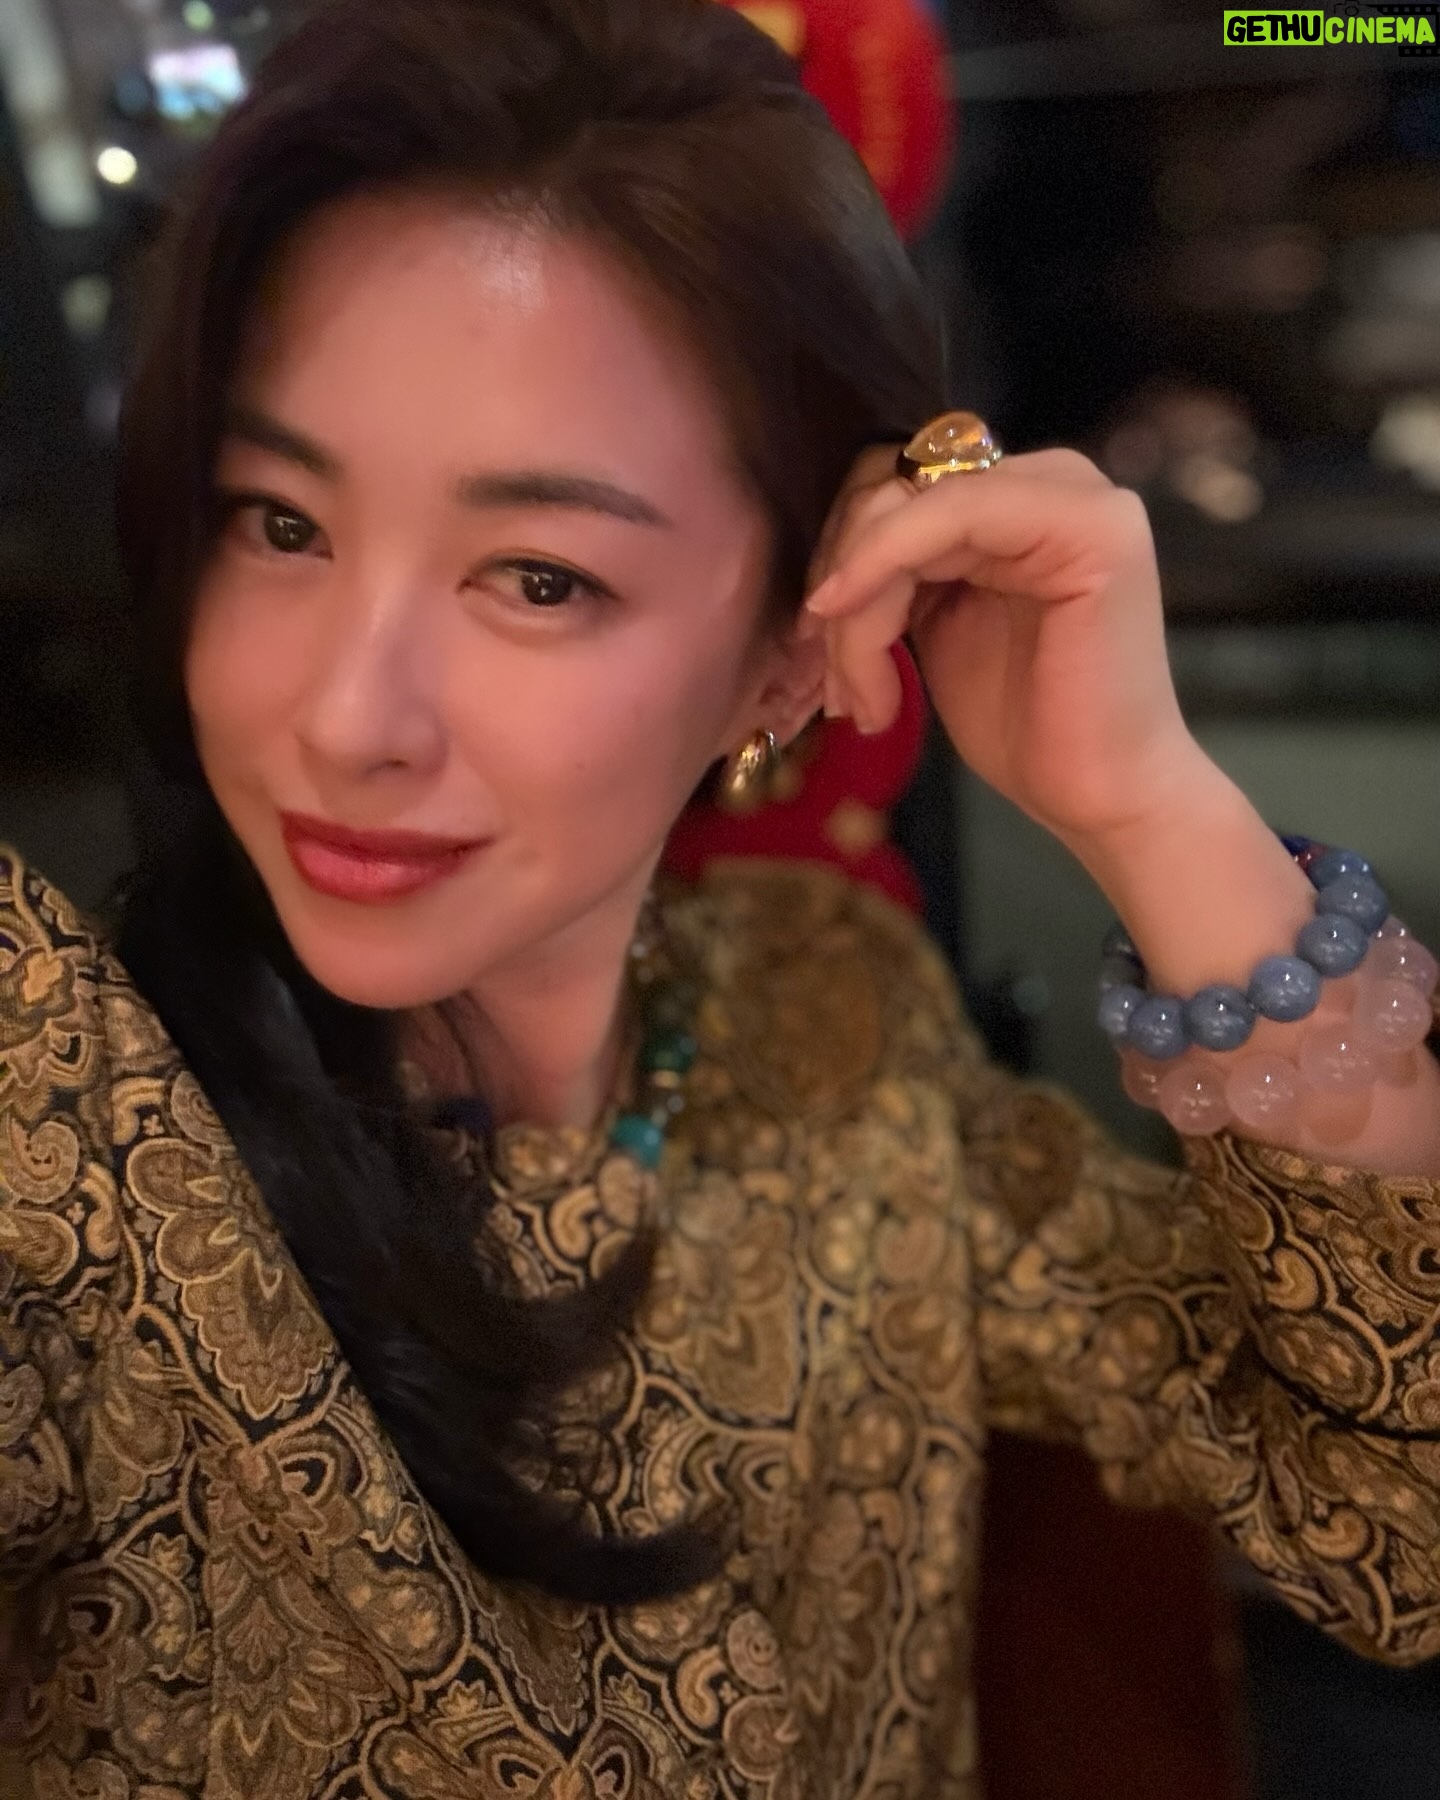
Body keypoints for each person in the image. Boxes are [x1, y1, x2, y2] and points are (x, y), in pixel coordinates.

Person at [1, 0, 1437, 1793]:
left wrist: (1148, 805)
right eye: (281, 524)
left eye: (537, 575)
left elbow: (1401, 1525)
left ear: (792, 649)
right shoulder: (69, 1103)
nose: (347, 719)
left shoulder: (833, 1019)